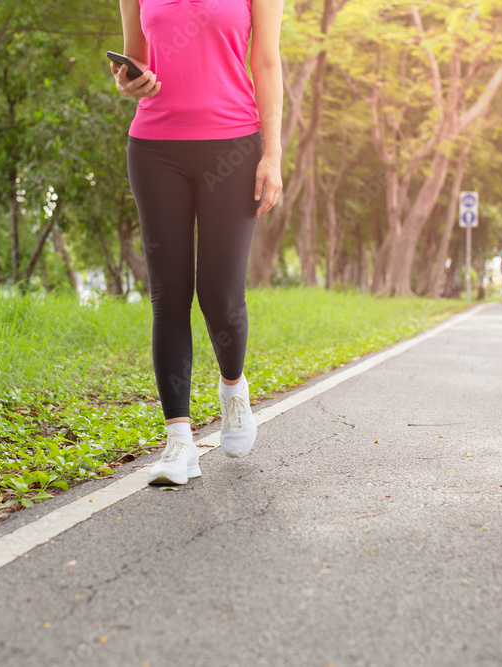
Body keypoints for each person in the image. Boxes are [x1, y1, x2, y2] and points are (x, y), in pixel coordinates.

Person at [113, 0, 284, 485]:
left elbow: (267, 62)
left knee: (220, 295)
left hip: (233, 143)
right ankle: (179, 441)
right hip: (154, 147)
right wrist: (129, 80)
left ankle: (233, 390)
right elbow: (134, 63)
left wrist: (272, 153)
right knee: (169, 295)